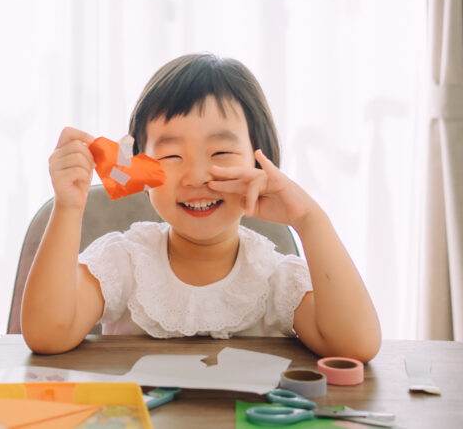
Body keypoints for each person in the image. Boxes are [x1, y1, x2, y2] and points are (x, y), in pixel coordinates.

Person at [21, 53, 381, 362]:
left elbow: (354, 346)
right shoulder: (125, 262)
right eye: (172, 155)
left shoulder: (272, 276)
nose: (195, 176)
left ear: (261, 165)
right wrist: (69, 206)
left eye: (221, 153)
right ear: (139, 170)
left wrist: (310, 220)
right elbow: (47, 335)